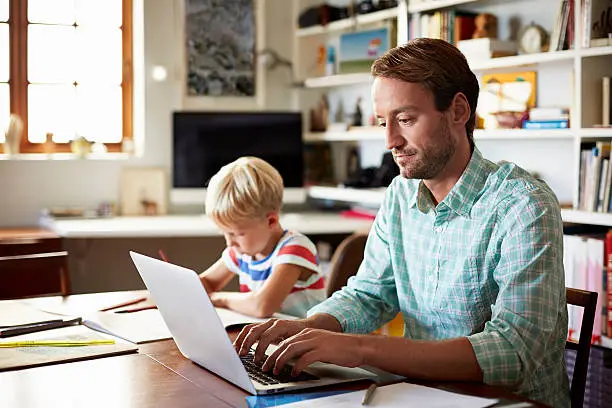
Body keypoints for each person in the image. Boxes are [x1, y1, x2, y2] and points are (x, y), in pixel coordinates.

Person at [233, 39, 570, 408]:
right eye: (383, 123)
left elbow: (512, 352)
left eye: (406, 120)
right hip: (419, 396)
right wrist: (307, 328)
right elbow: (369, 295)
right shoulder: (399, 196)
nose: (391, 140)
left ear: (458, 110)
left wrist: (361, 348)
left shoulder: (524, 204)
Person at [199, 156, 325, 318]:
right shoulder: (242, 251)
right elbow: (207, 282)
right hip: (268, 337)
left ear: (271, 221)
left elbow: (262, 305)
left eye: (237, 234)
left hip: (303, 339)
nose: (229, 243)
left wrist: (219, 299)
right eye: (224, 233)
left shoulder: (296, 249)